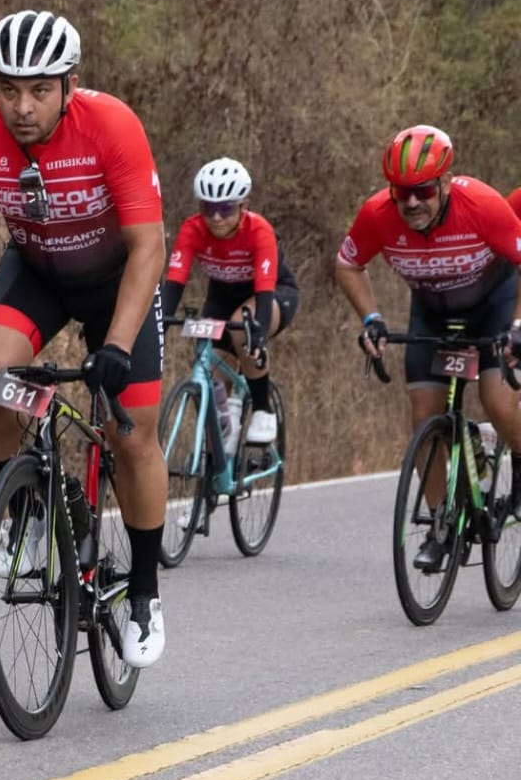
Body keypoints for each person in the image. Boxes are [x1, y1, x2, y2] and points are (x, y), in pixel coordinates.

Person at [0, 9, 169, 668]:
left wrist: (115, 345)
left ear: (70, 85)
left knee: (134, 435)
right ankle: (31, 502)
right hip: (37, 274)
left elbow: (150, 246)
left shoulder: (112, 125)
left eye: (39, 90)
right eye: (7, 89)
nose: (22, 106)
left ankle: (142, 591)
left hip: (120, 280)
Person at [336, 125, 521, 569]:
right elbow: (347, 264)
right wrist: (371, 318)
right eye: (402, 193)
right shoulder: (377, 215)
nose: (412, 202)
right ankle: (442, 525)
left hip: (492, 304)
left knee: (499, 399)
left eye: (422, 191)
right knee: (424, 418)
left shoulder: (482, 206)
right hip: (432, 311)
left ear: (443, 183)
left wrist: (517, 324)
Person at [161, 158, 300, 451]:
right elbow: (173, 284)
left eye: (225, 208)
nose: (216, 217)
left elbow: (264, 290)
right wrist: (158, 324)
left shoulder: (259, 231)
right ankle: (222, 445)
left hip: (272, 293)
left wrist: (259, 335)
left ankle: (263, 410)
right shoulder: (192, 229)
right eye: (207, 208)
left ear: (242, 206)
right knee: (211, 381)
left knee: (244, 326)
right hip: (221, 298)